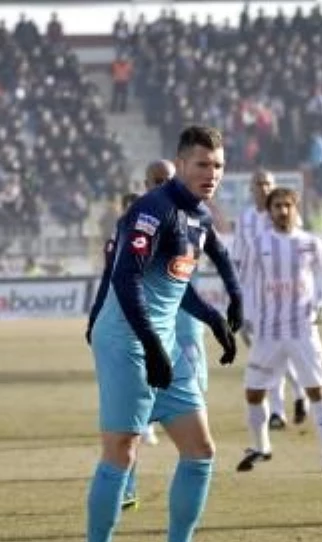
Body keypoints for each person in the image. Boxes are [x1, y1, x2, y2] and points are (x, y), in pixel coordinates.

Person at [76, 126, 238, 542]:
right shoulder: (152, 209)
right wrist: (151, 344)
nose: (211, 174)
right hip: (127, 337)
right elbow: (125, 278)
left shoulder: (196, 215)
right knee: (121, 452)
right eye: (202, 165)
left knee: (200, 449)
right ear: (181, 163)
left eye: (218, 166)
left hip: (161, 337)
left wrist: (214, 319)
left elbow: (174, 284)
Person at [101, 159, 243, 510]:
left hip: (185, 322)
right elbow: (115, 281)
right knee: (131, 424)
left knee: (194, 408)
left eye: (167, 178)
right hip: (141, 328)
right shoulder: (141, 221)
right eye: (157, 180)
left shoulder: (194, 217)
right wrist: (95, 324)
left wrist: (225, 307)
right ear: (147, 183)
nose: (163, 183)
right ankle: (127, 484)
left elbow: (219, 257)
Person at [236, 187, 322, 473]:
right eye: (277, 206)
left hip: (303, 330)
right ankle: (262, 447)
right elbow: (245, 284)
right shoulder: (258, 244)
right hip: (268, 331)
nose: (283, 211)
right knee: (253, 392)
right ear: (269, 212)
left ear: (296, 208)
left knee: (316, 390)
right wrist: (245, 319)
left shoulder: (310, 243)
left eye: (287, 205)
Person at [231, 169, 307, 428]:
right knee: (265, 353)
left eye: (267, 184)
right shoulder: (245, 219)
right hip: (256, 294)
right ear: (251, 189)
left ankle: (295, 396)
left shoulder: (287, 214)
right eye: (258, 184)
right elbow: (239, 258)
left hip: (284, 295)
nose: (263, 188)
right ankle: (280, 410)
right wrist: (239, 296)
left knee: (282, 351)